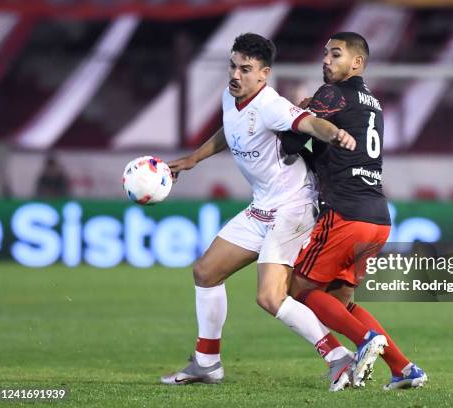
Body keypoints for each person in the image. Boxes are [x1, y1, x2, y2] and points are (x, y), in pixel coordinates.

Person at [160, 33, 359, 391]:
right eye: (233, 66)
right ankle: (207, 363)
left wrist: (335, 133)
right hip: (263, 205)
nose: (235, 75)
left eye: (245, 69)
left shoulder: (271, 105)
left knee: (270, 297)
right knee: (206, 272)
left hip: (294, 206)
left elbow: (308, 123)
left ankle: (339, 358)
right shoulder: (230, 96)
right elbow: (229, 130)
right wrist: (193, 159)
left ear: (263, 74)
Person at [280, 32, 428, 390]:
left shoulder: (332, 94)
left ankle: (363, 341)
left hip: (346, 214)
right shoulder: (373, 103)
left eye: (335, 54)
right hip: (378, 218)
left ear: (357, 62)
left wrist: (300, 116)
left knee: (298, 291)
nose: (326, 60)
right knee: (338, 303)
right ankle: (404, 368)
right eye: (325, 54)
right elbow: (335, 154)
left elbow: (289, 144)